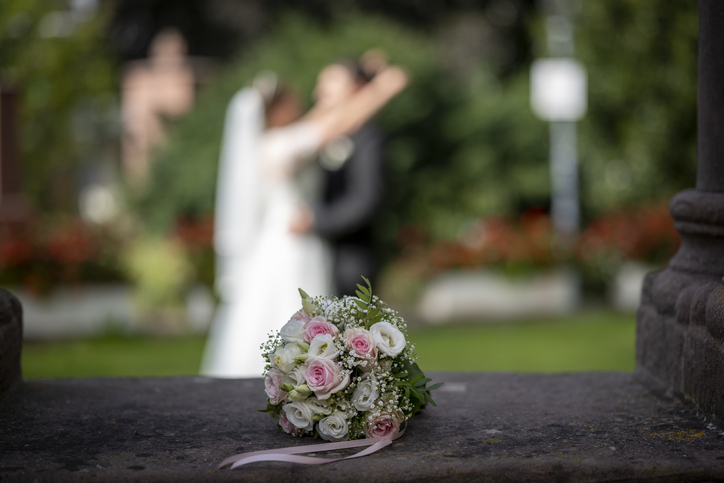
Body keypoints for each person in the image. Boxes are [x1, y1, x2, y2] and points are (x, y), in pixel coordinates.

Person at [201, 63, 408, 378]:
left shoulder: (277, 140)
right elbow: (337, 122)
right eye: (293, 100)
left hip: (291, 238)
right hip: (290, 243)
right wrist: (381, 89)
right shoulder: (282, 146)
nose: (304, 104)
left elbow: (322, 119)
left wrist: (356, 79)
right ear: (277, 110)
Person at [290, 58, 388, 296]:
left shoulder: (367, 137)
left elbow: (367, 199)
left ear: (356, 88)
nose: (319, 91)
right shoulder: (314, 135)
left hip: (348, 257)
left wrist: (317, 221)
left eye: (330, 82)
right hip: (301, 251)